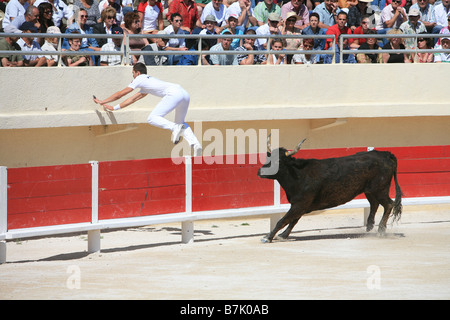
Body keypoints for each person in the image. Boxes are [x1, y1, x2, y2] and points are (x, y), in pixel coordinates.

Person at [93, 62, 203, 156]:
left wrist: (103, 101)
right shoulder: (148, 83)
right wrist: (114, 108)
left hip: (173, 94)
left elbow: (121, 94)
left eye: (133, 74)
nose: (133, 77)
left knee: (152, 118)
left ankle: (175, 127)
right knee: (181, 122)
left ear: (137, 72)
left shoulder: (139, 78)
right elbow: (133, 99)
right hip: (184, 94)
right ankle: (195, 144)